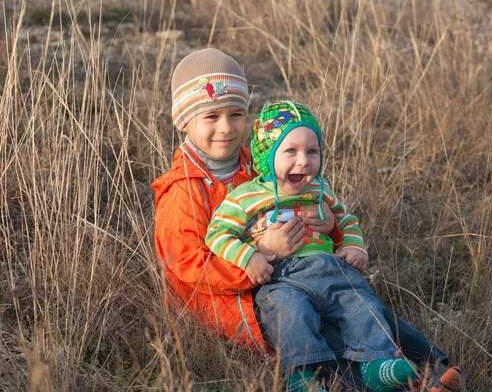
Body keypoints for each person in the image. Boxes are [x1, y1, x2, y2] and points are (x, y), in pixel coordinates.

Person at [152, 48, 463, 391]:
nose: (225, 128)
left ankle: (437, 370)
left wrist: (329, 224)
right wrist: (260, 252)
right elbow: (188, 269)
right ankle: (408, 384)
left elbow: (308, 205)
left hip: (302, 271)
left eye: (236, 114)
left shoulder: (259, 160)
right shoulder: (183, 191)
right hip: (239, 301)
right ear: (184, 120)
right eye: (211, 116)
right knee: (326, 340)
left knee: (363, 307)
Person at [205, 101, 465, 392]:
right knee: (291, 316)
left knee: (360, 303)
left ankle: (377, 365)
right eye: (290, 151)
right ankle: (302, 378)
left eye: (312, 151)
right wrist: (249, 256)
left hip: (330, 269)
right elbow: (217, 233)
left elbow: (347, 220)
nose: (303, 161)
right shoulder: (246, 196)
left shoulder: (320, 190)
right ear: (267, 156)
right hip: (282, 277)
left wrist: (355, 247)